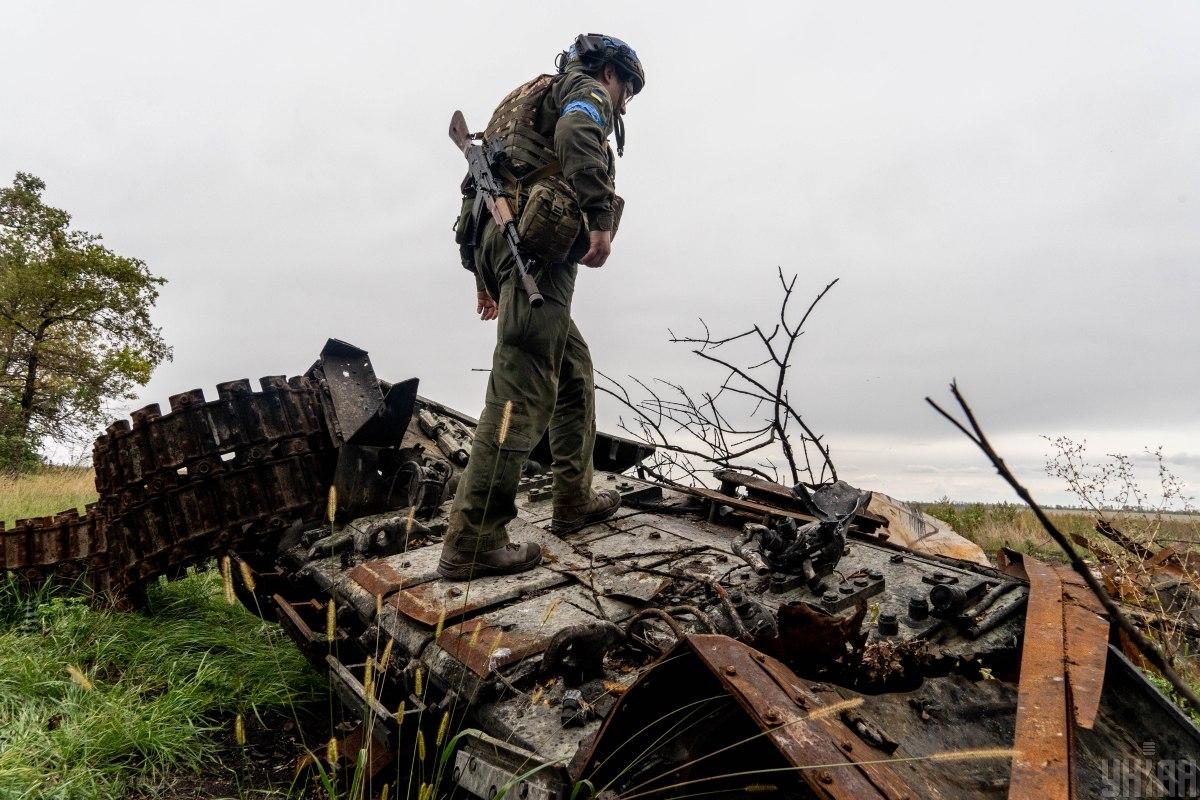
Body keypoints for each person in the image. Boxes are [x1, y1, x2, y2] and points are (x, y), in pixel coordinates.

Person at [438, 34, 645, 580]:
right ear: (610, 73)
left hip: (503, 248)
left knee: (571, 369)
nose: (623, 103)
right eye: (626, 89)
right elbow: (579, 132)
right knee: (521, 391)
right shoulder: (584, 92)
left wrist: (483, 274)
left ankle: (573, 500)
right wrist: (600, 217)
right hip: (536, 258)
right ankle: (474, 539)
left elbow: (476, 192)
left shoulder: (520, 101)